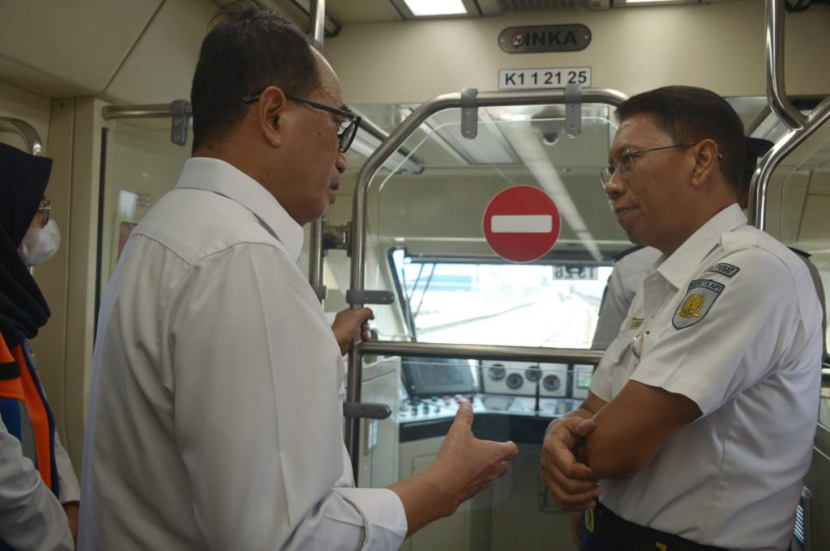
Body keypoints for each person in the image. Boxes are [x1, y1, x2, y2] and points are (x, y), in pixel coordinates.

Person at [78, 2, 518, 549]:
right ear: (273, 115)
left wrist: (313, 350)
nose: (342, 157)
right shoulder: (241, 259)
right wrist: (439, 487)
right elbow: (286, 540)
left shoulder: (169, 227)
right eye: (338, 125)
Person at [540, 86, 822, 551]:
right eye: (611, 168)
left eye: (629, 160)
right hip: (612, 526)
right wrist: (556, 434)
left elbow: (615, 448)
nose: (613, 183)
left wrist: (568, 451)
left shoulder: (750, 269)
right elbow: (594, 410)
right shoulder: (660, 276)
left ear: (701, 160)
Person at [0, 142, 80, 550]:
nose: (47, 224)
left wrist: (67, 497)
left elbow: (37, 416)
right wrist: (58, 537)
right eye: (39, 208)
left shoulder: (11, 320)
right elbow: (4, 477)